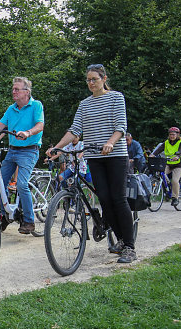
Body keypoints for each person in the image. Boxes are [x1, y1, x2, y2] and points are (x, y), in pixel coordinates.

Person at [47, 64, 136, 263]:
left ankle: (129, 246)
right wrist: (58, 147)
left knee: (118, 198)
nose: (90, 83)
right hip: (95, 157)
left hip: (115, 155)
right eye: (88, 80)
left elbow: (120, 126)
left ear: (104, 79)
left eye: (94, 79)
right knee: (104, 198)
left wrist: (110, 143)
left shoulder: (116, 98)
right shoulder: (84, 104)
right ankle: (119, 239)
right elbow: (75, 130)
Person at [0, 77, 44, 234]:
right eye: (13, 89)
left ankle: (29, 220)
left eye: (17, 89)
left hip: (29, 150)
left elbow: (40, 125)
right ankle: (5, 215)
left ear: (26, 92)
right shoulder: (11, 109)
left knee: (21, 184)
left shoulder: (36, 105)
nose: (13, 91)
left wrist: (27, 133)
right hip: (13, 150)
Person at [150, 127, 181, 206]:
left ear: (177, 135)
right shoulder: (166, 142)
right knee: (161, 173)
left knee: (175, 180)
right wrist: (152, 155)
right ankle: (168, 187)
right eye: (170, 134)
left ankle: (175, 198)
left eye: (173, 134)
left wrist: (177, 156)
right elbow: (159, 149)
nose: (172, 136)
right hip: (168, 163)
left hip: (179, 164)